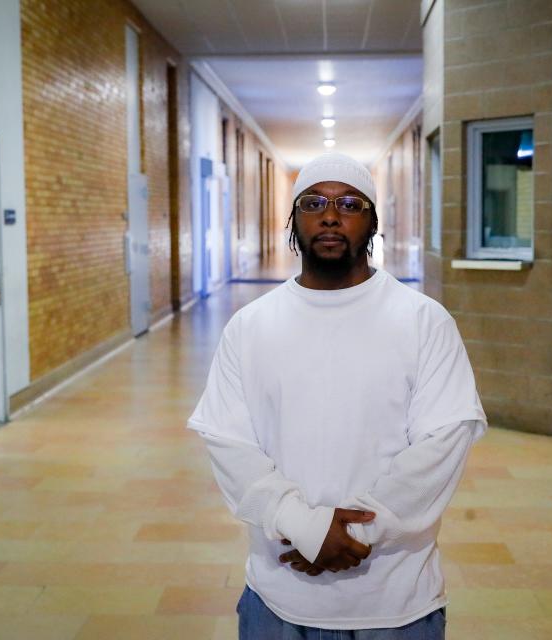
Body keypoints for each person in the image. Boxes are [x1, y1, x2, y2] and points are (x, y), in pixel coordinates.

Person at [188, 152, 486, 639]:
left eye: (349, 203)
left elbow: (441, 446)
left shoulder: (422, 321)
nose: (330, 215)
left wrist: (348, 536)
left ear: (372, 221)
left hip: (396, 602)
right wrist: (303, 527)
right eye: (313, 202)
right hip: (278, 598)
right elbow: (228, 442)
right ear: (294, 219)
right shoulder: (251, 326)